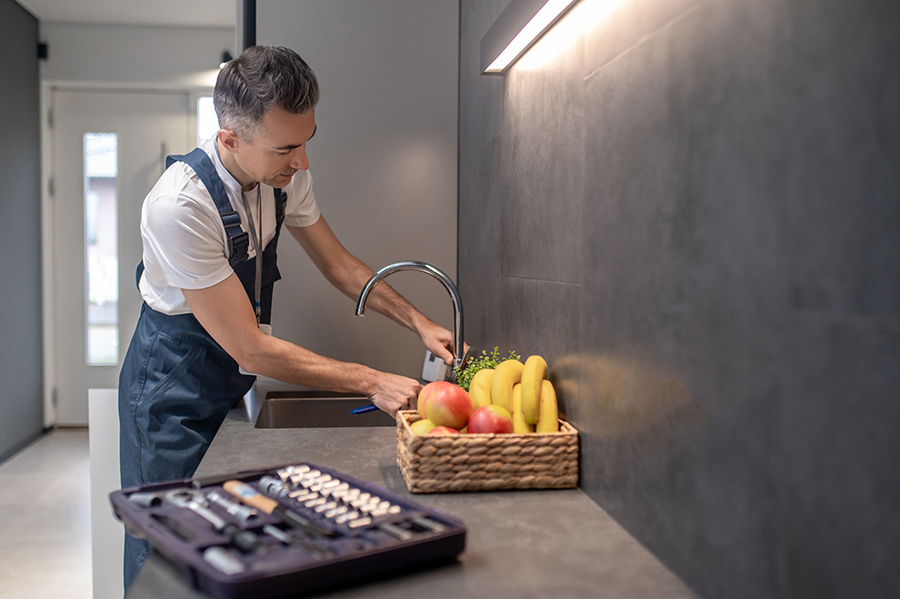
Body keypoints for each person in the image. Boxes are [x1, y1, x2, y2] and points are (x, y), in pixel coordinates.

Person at [117, 45, 456, 590]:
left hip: (226, 377)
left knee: (228, 540)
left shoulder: (283, 174)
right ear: (230, 139)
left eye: (307, 141)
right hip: (169, 391)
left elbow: (341, 266)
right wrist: (371, 380)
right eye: (286, 149)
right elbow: (249, 348)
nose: (302, 163)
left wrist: (416, 320)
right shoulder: (179, 206)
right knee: (167, 547)